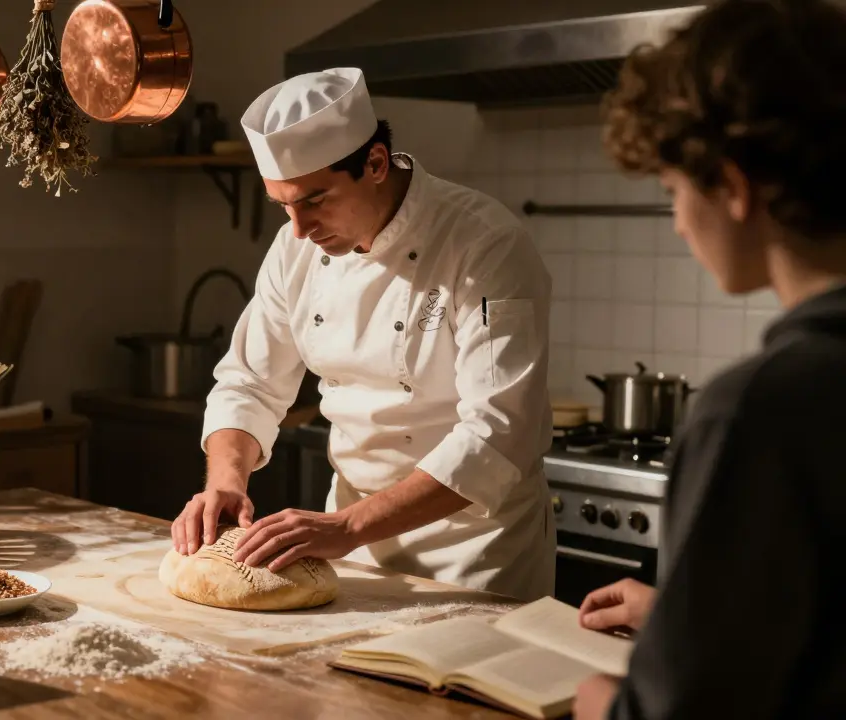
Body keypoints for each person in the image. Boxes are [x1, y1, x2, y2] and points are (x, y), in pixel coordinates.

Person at [171, 67, 557, 602]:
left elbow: (498, 433)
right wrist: (225, 482)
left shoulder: (485, 244)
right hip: (350, 547)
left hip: (472, 551)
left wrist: (349, 527)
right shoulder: (295, 248)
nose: (299, 229)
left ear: (375, 163)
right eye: (283, 205)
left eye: (314, 200)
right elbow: (249, 383)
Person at [571, 0, 846, 717]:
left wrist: (603, 701)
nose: (677, 221)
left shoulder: (760, 408)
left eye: (673, 191)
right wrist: (682, 616)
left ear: (733, 184)